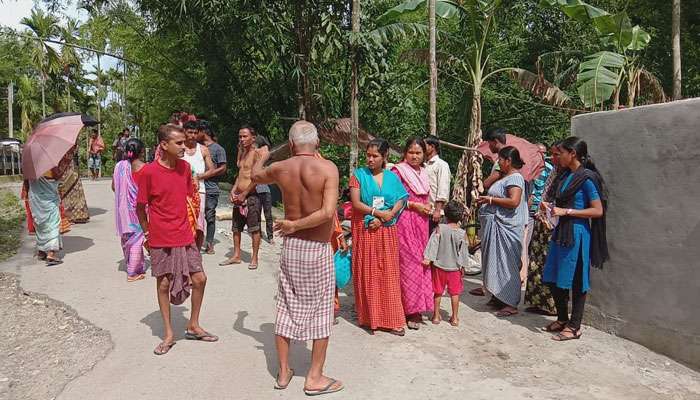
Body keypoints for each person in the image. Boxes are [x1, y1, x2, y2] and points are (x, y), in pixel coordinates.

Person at [250, 120, 344, 396]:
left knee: (286, 306)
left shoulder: (281, 168)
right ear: (317, 143)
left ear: (291, 145)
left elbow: (255, 176)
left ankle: (283, 372)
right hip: (316, 248)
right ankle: (313, 376)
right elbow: (327, 213)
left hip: (292, 249)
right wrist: (296, 225)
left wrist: (264, 155)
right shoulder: (328, 168)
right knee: (321, 310)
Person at [136, 124, 218, 356]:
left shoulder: (184, 168)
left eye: (184, 142)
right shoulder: (148, 173)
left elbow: (189, 199)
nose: (185, 146)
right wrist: (147, 233)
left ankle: (193, 324)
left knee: (200, 279)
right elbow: (140, 208)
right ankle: (169, 333)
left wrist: (196, 225)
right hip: (160, 237)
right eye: (179, 143)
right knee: (163, 284)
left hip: (185, 234)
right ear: (164, 145)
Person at [541, 136, 608, 341]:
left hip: (577, 234)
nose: (557, 156)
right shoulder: (564, 176)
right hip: (561, 232)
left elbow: (597, 211)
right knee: (552, 277)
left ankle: (575, 326)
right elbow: (560, 205)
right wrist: (551, 210)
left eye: (561, 152)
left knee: (578, 281)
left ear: (573, 154)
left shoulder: (586, 179)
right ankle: (562, 318)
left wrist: (566, 211)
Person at [350, 139, 408, 336]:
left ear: (385, 157)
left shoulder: (392, 177)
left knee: (388, 273)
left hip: (387, 231)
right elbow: (356, 203)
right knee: (368, 272)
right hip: (366, 231)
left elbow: (401, 199)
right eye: (368, 155)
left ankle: (392, 319)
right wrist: (377, 213)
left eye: (375, 156)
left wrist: (386, 217)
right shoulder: (358, 176)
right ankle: (369, 317)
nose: (370, 159)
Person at [476, 146, 529, 317]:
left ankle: (510, 302)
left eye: (500, 160)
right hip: (495, 226)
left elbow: (514, 201)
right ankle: (498, 296)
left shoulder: (515, 178)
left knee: (507, 264)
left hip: (506, 227)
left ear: (508, 161)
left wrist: (490, 199)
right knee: (495, 262)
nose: (498, 163)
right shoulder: (504, 177)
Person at [391, 137, 433, 330]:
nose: (414, 156)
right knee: (409, 263)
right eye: (411, 152)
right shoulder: (397, 171)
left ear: (424, 154)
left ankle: (418, 307)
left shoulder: (424, 172)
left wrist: (429, 207)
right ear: (405, 153)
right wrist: (414, 205)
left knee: (423, 261)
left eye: (418, 153)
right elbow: (392, 199)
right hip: (405, 221)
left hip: (421, 222)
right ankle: (409, 310)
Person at [524, 142, 561, 315]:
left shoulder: (564, 175)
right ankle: (538, 302)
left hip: (553, 223)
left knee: (547, 263)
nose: (552, 158)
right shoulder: (545, 170)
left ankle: (552, 306)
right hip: (540, 218)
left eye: (555, 154)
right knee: (536, 262)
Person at [219, 125, 262, 269]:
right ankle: (236, 255)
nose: (242, 139)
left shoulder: (257, 154)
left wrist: (244, 193)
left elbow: (257, 178)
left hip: (251, 197)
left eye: (245, 136)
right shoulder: (243, 154)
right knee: (236, 227)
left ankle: (254, 257)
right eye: (240, 136)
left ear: (253, 138)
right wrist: (234, 189)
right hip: (239, 196)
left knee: (254, 228)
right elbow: (241, 175)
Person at [423, 201, 470, 326]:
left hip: (439, 267)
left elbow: (433, 244)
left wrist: (428, 258)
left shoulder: (440, 228)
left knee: (438, 292)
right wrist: (463, 266)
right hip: (454, 268)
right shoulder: (462, 234)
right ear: (460, 217)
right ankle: (454, 318)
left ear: (446, 215)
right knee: (455, 293)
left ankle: (436, 316)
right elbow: (463, 253)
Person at [27, 149, 72, 267]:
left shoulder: (30, 168)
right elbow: (57, 179)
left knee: (40, 224)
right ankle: (51, 253)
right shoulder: (52, 167)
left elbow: (27, 184)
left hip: (35, 200)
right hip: (49, 200)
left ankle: (41, 251)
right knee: (53, 225)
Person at [112, 138, 147, 282]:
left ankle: (134, 266)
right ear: (142, 152)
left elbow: (114, 187)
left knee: (127, 238)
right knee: (137, 238)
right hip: (138, 208)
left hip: (123, 209)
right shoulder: (145, 168)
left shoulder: (119, 166)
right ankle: (133, 272)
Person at [195, 121, 227, 254]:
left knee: (210, 215)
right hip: (197, 187)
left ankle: (209, 242)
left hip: (211, 187)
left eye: (197, 131)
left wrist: (203, 176)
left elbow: (223, 168)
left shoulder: (218, 149)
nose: (195, 135)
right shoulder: (196, 148)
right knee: (196, 215)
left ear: (204, 132)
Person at [183, 120, 215, 249]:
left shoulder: (203, 149)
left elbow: (212, 169)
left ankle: (196, 252)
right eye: (190, 132)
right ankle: (184, 249)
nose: (192, 135)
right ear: (184, 132)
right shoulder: (179, 149)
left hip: (199, 190)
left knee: (199, 222)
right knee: (184, 221)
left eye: (195, 133)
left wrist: (198, 176)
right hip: (181, 191)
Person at [424, 136, 451, 232]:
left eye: (425, 145)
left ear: (432, 147)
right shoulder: (424, 165)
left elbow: (443, 189)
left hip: (435, 212)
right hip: (425, 211)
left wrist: (437, 210)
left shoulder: (441, 165)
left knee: (434, 242)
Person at [57, 150, 90, 224]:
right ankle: (72, 215)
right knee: (68, 189)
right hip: (67, 167)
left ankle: (72, 215)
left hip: (68, 167)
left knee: (71, 189)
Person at [255, 135, 275, 244]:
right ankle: (259, 233)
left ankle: (270, 236)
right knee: (257, 213)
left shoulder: (267, 158)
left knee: (268, 214)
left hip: (265, 190)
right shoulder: (255, 157)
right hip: (257, 190)